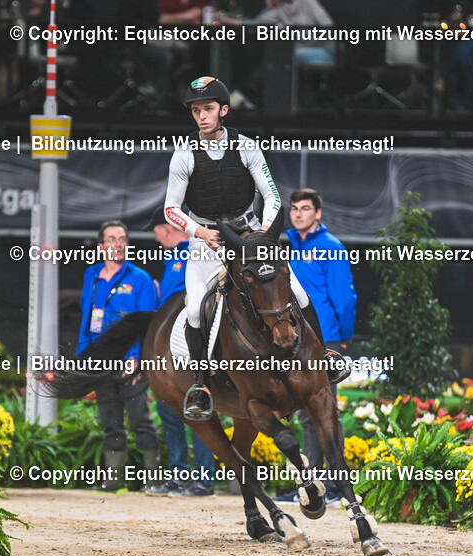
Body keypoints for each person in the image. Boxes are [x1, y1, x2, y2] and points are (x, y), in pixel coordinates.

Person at [163, 75, 349, 421]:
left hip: (248, 234)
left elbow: (272, 195)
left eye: (207, 109)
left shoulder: (247, 146)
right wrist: (198, 231)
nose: (201, 116)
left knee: (297, 291)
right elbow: (170, 208)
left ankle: (323, 356)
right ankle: (201, 386)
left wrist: (263, 229)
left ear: (223, 110)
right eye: (196, 110)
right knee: (195, 308)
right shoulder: (184, 154)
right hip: (205, 239)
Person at [274, 188, 355, 507]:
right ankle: (310, 486)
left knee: (326, 411)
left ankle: (336, 487)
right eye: (294, 208)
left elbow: (344, 298)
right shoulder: (288, 245)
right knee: (306, 415)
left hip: (325, 340)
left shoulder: (331, 247)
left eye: (305, 208)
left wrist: (343, 335)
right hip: (293, 340)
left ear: (318, 213)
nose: (298, 214)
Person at [77, 220, 161, 492]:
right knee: (110, 422)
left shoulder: (140, 278)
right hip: (100, 359)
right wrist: (82, 357)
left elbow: (147, 325)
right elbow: (87, 318)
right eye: (112, 239)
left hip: (130, 361)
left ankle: (153, 481)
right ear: (101, 246)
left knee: (141, 420)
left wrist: (136, 359)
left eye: (122, 238)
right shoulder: (91, 276)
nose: (118, 244)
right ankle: (114, 481)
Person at [145, 210, 217, 497]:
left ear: (165, 229)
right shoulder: (173, 258)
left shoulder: (195, 250)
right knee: (168, 407)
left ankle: (204, 478)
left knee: (196, 406)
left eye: (156, 232)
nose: (156, 238)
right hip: (168, 346)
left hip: (190, 344)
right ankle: (179, 474)